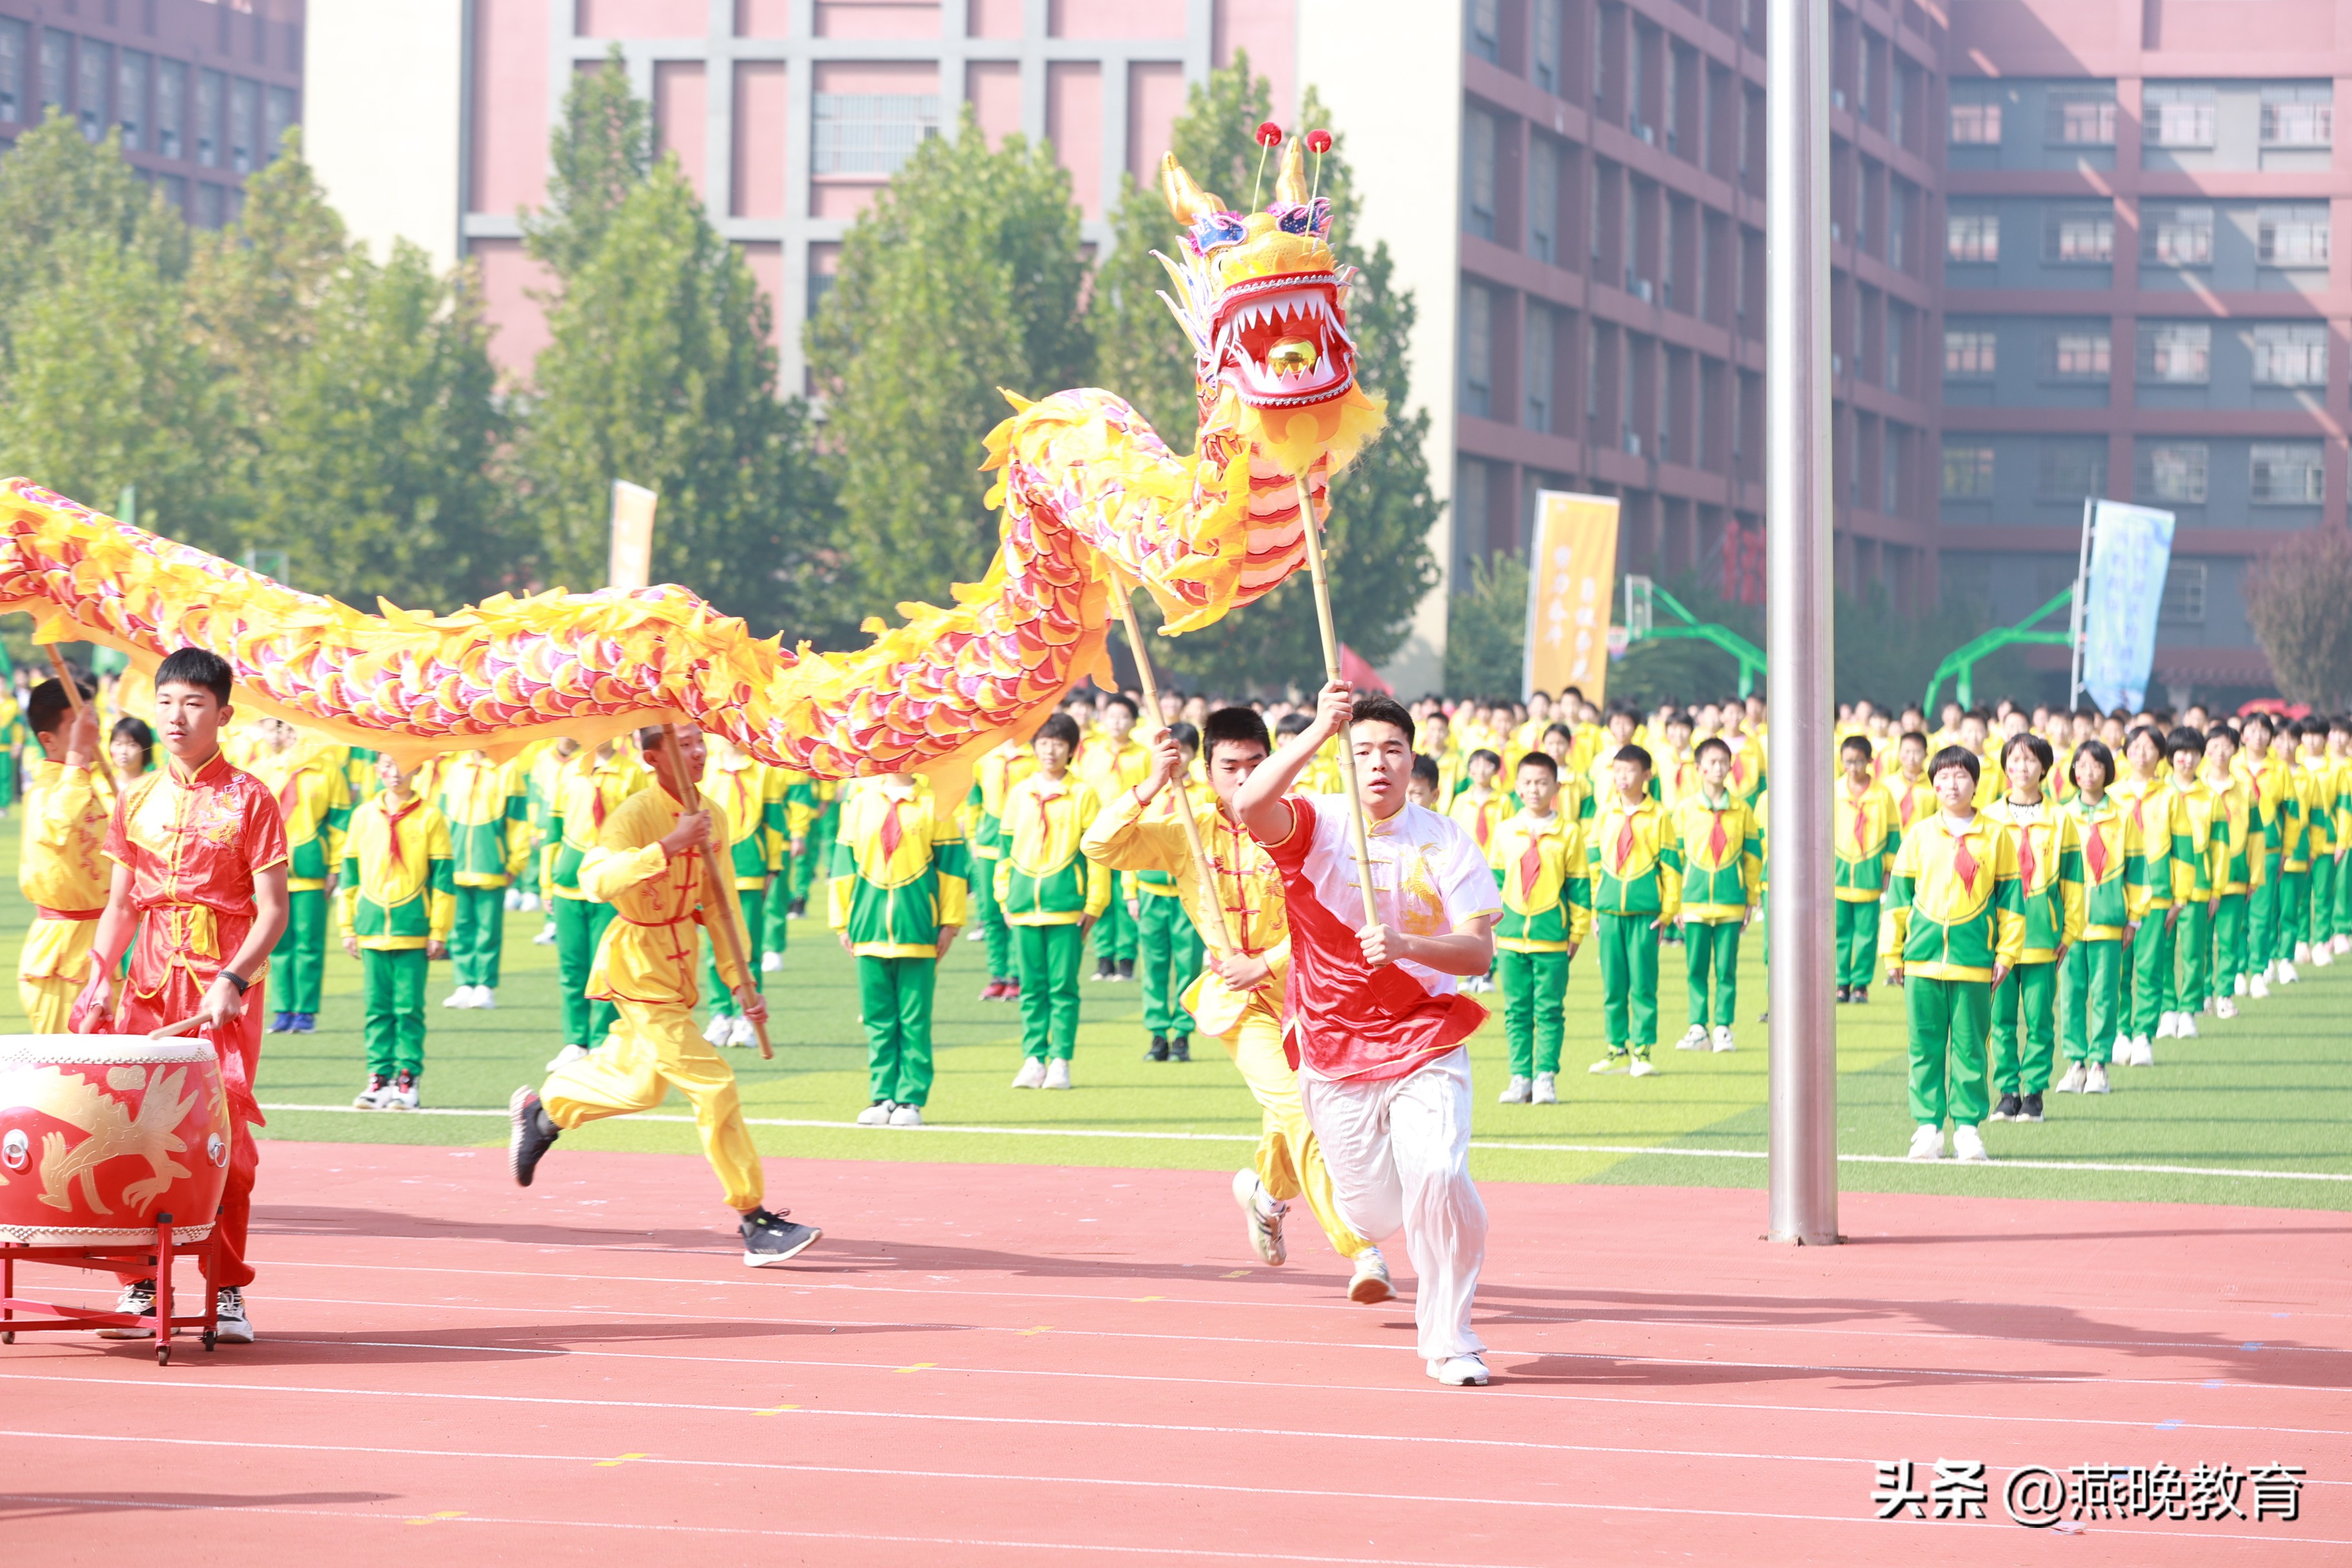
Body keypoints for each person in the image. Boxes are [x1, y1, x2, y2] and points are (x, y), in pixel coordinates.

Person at [1233, 681, 1502, 1385]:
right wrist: (1319, 729)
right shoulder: (1315, 822)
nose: (1379, 763)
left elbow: (1478, 953)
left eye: (1394, 749)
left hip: (1424, 1037)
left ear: (1414, 761)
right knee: (1375, 1215)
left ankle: (1450, 1339)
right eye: (1363, 751)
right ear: (1342, 763)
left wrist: (1412, 945)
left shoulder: (1445, 840)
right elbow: (1249, 804)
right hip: (1334, 1046)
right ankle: (1335, 1203)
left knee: (1440, 1175)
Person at [1084, 707, 1395, 1304]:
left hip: (1310, 992)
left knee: (1302, 1115)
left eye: (1258, 763)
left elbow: (1334, 914)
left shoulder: (1304, 823)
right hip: (1241, 1002)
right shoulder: (1185, 831)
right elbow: (1100, 845)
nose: (1245, 776)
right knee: (1305, 1112)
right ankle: (1361, 1248)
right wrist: (1151, 781)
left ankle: (1268, 1197)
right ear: (1205, 770)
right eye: (1230, 766)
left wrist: (1271, 961)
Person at [507, 725, 818, 1266]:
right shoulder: (632, 814)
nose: (697, 751)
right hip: (637, 966)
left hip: (680, 967)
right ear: (651, 757)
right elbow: (597, 880)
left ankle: (546, 1113)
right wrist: (669, 845)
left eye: (700, 741)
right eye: (683, 744)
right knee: (713, 1084)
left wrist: (741, 982)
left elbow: (720, 906)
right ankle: (754, 1219)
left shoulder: (713, 815)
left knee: (641, 1087)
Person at [79, 647, 290, 1346]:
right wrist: (99, 974)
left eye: (194, 703)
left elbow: (271, 910)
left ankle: (226, 1290)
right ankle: (141, 1282)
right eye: (167, 700)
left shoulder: (252, 798)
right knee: (132, 1131)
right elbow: (120, 904)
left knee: (222, 1136)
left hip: (220, 988)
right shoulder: (135, 795)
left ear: (223, 714)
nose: (177, 715)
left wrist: (234, 978)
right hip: (149, 981)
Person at [1885, 744, 2023, 1163]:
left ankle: (1967, 1129)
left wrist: (2007, 952)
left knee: (1970, 1047)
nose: (1951, 784)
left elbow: (2012, 900)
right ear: (1933, 783)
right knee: (1924, 1046)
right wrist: (1892, 954)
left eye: (1961, 775)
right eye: (1943, 777)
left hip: (1974, 961)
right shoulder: (1920, 834)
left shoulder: (1996, 835)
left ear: (1976, 783)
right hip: (1922, 960)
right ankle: (1928, 1127)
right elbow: (1898, 899)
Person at [832, 772, 966, 1127]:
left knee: (914, 1019)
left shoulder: (936, 803)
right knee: (878, 1019)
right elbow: (843, 864)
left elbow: (953, 868)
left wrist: (950, 922)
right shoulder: (860, 801)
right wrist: (841, 921)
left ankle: (911, 1099)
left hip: (918, 926)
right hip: (868, 926)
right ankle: (882, 1096)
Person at [340, 753, 455, 1110]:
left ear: (417, 768)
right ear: (377, 770)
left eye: (403, 765)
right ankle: (379, 1078)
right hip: (371, 926)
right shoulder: (363, 816)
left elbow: (443, 880)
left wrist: (438, 929)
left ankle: (407, 1078)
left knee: (409, 1008)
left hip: (413, 927)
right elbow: (349, 876)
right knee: (377, 1008)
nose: (395, 774)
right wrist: (348, 925)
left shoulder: (431, 816)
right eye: (388, 766)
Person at [999, 712, 1108, 1088]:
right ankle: (1033, 1057)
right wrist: (1004, 898)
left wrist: (1095, 904)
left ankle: (1061, 1058)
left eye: (1059, 743)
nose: (1050, 750)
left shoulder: (1084, 794)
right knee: (1031, 987)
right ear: (1034, 747)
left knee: (1063, 987)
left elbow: (1096, 853)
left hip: (1067, 905)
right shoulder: (1019, 793)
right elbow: (1004, 849)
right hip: (1023, 905)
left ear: (1072, 750)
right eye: (1044, 742)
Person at [1984, 734, 2082, 1124]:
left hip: (2044, 937)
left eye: (2029, 761)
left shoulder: (2060, 820)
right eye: (2014, 760)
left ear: (2044, 768)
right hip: (1998, 938)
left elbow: (2074, 882)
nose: (2021, 768)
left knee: (2040, 1019)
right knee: (2000, 1020)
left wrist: (2069, 932)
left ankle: (2035, 1094)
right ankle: (2007, 1092)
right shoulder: (1989, 818)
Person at [1489, 751, 1589, 1104]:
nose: (1535, 789)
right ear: (1517, 787)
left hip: (1552, 939)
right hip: (1511, 938)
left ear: (1556, 787)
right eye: (1528, 783)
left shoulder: (1570, 833)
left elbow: (1578, 887)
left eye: (1543, 782)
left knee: (1548, 1010)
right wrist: (1490, 930)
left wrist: (1576, 932)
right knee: (1516, 1010)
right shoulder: (1505, 832)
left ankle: (1545, 1076)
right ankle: (1520, 1078)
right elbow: (1494, 884)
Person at [544, 738, 645, 1070]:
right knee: (572, 968)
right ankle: (575, 1041)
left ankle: (604, 1041)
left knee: (608, 969)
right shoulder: (569, 772)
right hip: (568, 883)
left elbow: (640, 835)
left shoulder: (631, 774)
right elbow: (552, 831)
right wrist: (547, 881)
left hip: (610, 885)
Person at [17, 677, 111, 1032]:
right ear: (48, 739)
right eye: (79, 725)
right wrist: (78, 759)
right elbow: (56, 825)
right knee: (65, 1071)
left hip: (109, 940)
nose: (92, 731)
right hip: (62, 951)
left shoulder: (98, 784)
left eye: (94, 721)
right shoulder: (42, 794)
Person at [248, 719, 351, 1035]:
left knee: (309, 943)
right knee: (275, 944)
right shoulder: (262, 770)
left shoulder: (328, 770)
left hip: (311, 871)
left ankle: (305, 1010)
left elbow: (340, 824)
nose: (285, 735)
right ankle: (282, 1009)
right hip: (269, 872)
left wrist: (334, 867)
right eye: (278, 728)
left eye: (291, 728)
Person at [1588, 744, 1681, 1075]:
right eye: (1617, 770)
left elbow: (1671, 868)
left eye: (1629, 771)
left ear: (1647, 775)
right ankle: (1616, 1049)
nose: (1622, 777)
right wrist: (1595, 910)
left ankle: (1642, 1052)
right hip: (1610, 913)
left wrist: (1668, 911)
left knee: (1643, 985)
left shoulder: (1659, 817)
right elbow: (1594, 864)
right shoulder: (1605, 813)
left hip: (1647, 915)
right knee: (1613, 985)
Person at [2054, 740, 2137, 1097]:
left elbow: (2137, 869)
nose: (2088, 772)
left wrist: (2134, 918)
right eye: (2082, 766)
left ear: (2108, 771)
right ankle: (2075, 1062)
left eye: (2096, 766)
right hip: (2069, 924)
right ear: (2073, 772)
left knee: (2105, 993)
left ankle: (2100, 1062)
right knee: (2072, 994)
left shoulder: (2122, 816)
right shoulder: (2060, 815)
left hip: (2108, 919)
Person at [1670, 737, 1760, 1052]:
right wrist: (1675, 902)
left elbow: (1752, 857)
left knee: (1726, 968)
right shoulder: (1684, 810)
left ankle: (1723, 1027)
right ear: (1699, 768)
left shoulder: (1742, 810)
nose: (1719, 768)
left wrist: (1751, 898)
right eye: (1712, 762)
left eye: (1724, 762)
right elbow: (1674, 860)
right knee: (1695, 967)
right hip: (1693, 901)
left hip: (1731, 901)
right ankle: (1697, 1027)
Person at [698, 734, 788, 1048]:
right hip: (714, 870)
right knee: (715, 950)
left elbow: (776, 823)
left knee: (746, 948)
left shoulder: (764, 771)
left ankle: (747, 1017)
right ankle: (720, 1014)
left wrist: (773, 866)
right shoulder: (707, 770)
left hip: (751, 869)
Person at [1127, 722, 1208, 1063]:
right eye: (1172, 749)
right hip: (1150, 891)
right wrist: (1131, 892)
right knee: (1155, 965)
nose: (1179, 757)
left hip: (1188, 894)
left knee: (1188, 967)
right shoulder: (1149, 791)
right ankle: (1158, 1033)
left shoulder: (1205, 794)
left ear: (1193, 754)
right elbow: (1130, 841)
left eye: (1185, 750)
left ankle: (1183, 1035)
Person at [436, 748, 529, 1010]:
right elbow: (442, 818)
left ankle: (485, 986)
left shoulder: (508, 769)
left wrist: (516, 860)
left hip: (492, 863)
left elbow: (518, 821)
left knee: (488, 929)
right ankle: (464, 983)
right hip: (456, 863)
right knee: (460, 927)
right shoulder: (455, 769)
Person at [2112, 724, 2180, 1064]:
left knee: (2151, 967)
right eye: (2135, 746)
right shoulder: (2112, 795)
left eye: (2150, 747)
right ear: (2125, 752)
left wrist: (2180, 897)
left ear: (2160, 755)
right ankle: (2121, 1031)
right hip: (2119, 893)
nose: (2141, 752)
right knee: (2119, 967)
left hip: (2158, 894)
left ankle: (2143, 1035)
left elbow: (2183, 850)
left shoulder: (2169, 796)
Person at [1078, 693, 1150, 982]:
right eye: (1112, 716)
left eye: (1123, 717)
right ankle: (1103, 958)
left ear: (1134, 721)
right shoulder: (1091, 753)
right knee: (1100, 897)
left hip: (1132, 833)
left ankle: (1127, 959)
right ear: (1103, 719)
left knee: (1126, 897)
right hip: (1098, 833)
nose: (1117, 722)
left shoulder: (1143, 755)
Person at [2159, 728, 2217, 1044]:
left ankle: (2188, 1011)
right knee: (2163, 950)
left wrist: (2217, 889)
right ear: (2170, 757)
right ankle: (2167, 1008)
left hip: (2199, 884)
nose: (2187, 759)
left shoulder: (2210, 797)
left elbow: (2219, 847)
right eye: (2181, 753)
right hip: (2162, 884)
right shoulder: (2159, 794)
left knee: (2195, 951)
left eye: (2194, 753)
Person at [1832, 732, 1898, 1005]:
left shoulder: (1882, 795)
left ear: (1870, 761)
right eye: (1848, 762)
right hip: (1837, 872)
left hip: (1869, 872)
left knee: (1867, 934)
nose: (1854, 767)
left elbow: (1894, 833)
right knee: (1839, 932)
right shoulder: (1834, 791)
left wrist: (1888, 869)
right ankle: (1840, 982)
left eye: (1859, 761)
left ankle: (1861, 983)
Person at [968, 735, 1033, 1000]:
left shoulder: (1034, 756)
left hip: (1021, 845)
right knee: (992, 915)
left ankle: (1019, 975)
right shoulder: (984, 756)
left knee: (1016, 911)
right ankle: (998, 975)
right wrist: (973, 835)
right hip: (988, 845)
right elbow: (974, 799)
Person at [2204, 725, 2257, 1020]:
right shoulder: (2196, 789)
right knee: (2200, 943)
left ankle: (2224, 994)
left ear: (2236, 750)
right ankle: (2202, 995)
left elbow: (2257, 837)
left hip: (2236, 877)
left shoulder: (2245, 790)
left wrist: (2256, 875)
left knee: (2229, 941)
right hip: (2203, 879)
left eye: (2227, 746)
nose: (2220, 752)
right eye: (2214, 745)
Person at [109, 715, 153, 780]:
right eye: (118, 744)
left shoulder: (153, 786)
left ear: (145, 748)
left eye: (132, 745)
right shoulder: (101, 786)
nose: (123, 751)